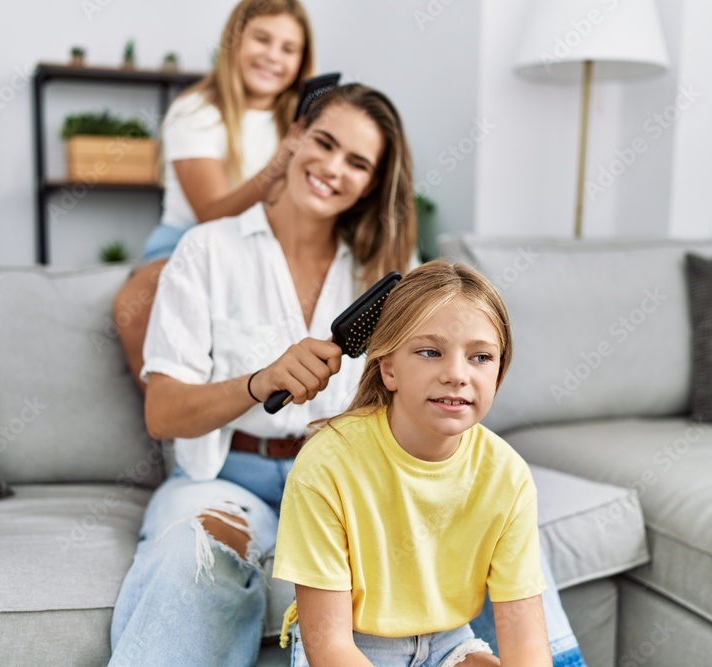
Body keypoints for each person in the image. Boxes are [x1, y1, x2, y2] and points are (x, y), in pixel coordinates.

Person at [108, 83, 417, 666]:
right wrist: (259, 381)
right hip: (228, 477)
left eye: (357, 162)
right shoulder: (206, 250)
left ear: (373, 182)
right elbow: (163, 410)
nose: (331, 168)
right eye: (323, 143)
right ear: (294, 138)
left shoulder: (385, 274)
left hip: (340, 485)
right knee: (194, 560)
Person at [273, 260, 587, 666]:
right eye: (429, 352)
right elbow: (329, 646)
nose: (457, 374)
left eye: (480, 358)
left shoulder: (507, 475)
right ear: (388, 369)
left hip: (448, 642)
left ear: (498, 373)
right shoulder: (327, 465)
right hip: (354, 646)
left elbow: (525, 641)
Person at [112, 0, 315, 391]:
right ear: (234, 42)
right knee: (134, 306)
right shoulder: (195, 112)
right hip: (186, 242)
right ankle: (172, 429)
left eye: (289, 48)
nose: (273, 56)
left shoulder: (304, 121)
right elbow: (212, 215)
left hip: (271, 244)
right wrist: (278, 164)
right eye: (262, 39)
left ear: (302, 60)